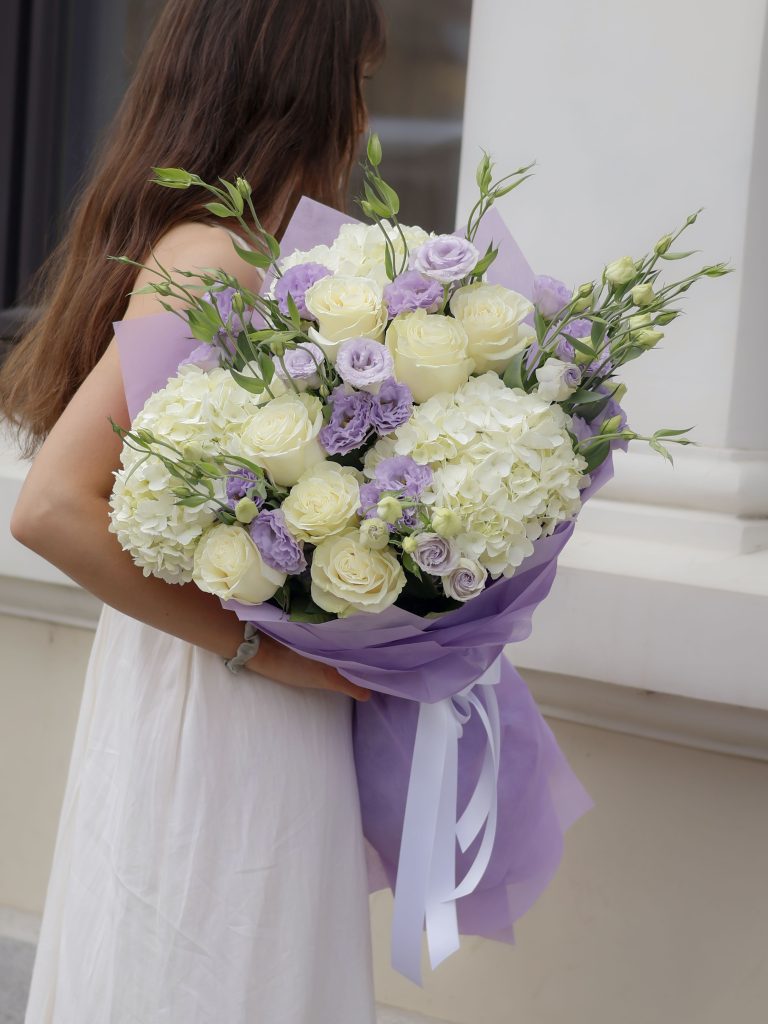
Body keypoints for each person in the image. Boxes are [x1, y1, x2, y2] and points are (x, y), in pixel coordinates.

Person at [0, 1, 386, 1020]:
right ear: (301, 87)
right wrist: (273, 654)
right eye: (357, 78)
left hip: (230, 693)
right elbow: (50, 508)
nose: (361, 114)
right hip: (222, 708)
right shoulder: (212, 258)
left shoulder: (247, 253)